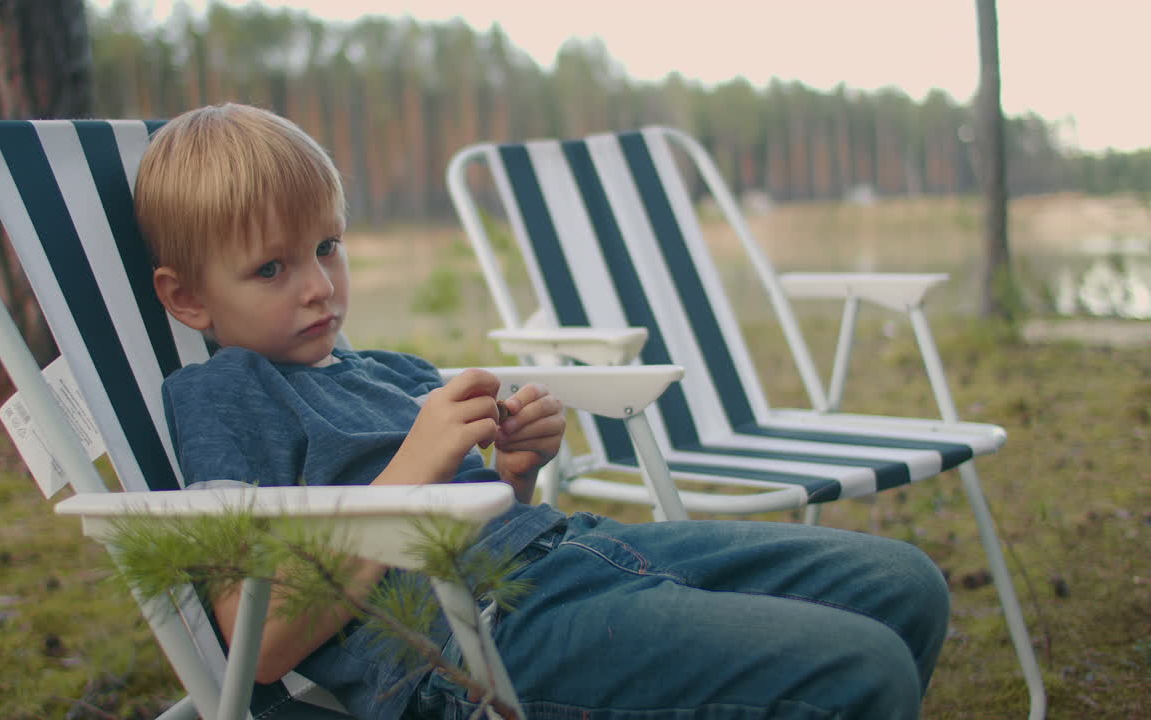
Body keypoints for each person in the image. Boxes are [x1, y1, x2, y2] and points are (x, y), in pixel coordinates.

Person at [134, 103, 951, 720]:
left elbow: (468, 512)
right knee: (863, 669)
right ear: (189, 297)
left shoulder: (380, 369)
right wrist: (416, 469)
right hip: (472, 642)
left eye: (327, 247)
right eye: (271, 268)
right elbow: (260, 641)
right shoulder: (225, 393)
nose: (317, 285)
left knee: (905, 584)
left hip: (577, 557)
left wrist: (513, 477)